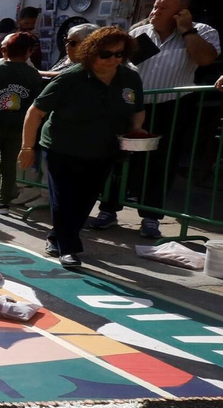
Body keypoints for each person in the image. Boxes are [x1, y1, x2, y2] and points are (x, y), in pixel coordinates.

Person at [19, 26, 143, 269]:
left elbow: (138, 111)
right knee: (64, 198)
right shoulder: (71, 77)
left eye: (119, 54)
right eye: (106, 54)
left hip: (104, 149)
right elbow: (35, 112)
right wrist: (27, 147)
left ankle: (58, 236)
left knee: (86, 199)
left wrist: (136, 131)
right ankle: (69, 248)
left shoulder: (130, 78)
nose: (113, 60)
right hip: (62, 147)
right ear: (91, 52)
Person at [124, 0, 221, 238]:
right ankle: (109, 209)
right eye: (154, 7)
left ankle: (151, 217)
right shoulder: (138, 33)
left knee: (161, 162)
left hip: (173, 106)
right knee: (122, 159)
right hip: (136, 105)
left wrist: (187, 30)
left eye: (162, 8)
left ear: (181, 12)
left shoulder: (203, 31)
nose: (154, 12)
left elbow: (206, 59)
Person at [0, 31, 45, 213]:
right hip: (19, 125)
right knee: (9, 164)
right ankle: (4, 202)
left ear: (4, 51)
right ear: (28, 52)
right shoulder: (34, 75)